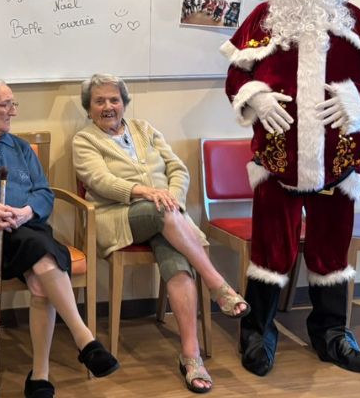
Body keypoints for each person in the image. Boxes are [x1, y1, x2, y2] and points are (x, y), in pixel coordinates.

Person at [221, 0, 360, 377]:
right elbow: (236, 77)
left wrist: (357, 96)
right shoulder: (264, 18)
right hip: (277, 163)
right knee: (269, 251)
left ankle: (332, 333)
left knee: (331, 252)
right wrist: (256, 97)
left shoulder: (354, 21)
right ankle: (259, 331)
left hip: (338, 164)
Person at [0, 78, 119, 398]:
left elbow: (44, 194)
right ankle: (83, 341)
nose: (12, 112)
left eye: (13, 104)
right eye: (5, 105)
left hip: (27, 228)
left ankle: (41, 374)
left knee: (39, 279)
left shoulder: (20, 148)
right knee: (40, 252)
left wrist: (27, 212)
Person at [72, 74, 247, 394]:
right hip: (119, 217)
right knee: (162, 213)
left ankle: (191, 357)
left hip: (166, 216)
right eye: (99, 101)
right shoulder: (85, 139)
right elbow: (100, 182)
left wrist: (173, 201)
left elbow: (178, 169)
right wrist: (149, 192)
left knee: (176, 260)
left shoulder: (144, 129)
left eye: (114, 99)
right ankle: (217, 283)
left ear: (124, 103)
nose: (108, 106)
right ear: (89, 108)